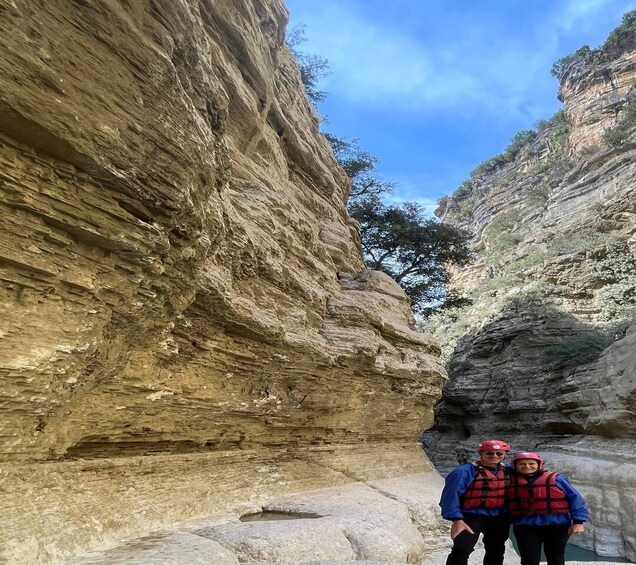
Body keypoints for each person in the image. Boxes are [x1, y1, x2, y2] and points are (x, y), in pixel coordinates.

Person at [507, 452, 590, 565]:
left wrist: (578, 521)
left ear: (539, 465)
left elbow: (575, 499)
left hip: (556, 526)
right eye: (522, 464)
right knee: (529, 558)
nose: (527, 466)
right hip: (525, 526)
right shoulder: (510, 480)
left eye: (531, 463)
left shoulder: (556, 479)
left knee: (555, 557)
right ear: (515, 466)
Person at [439, 439, 512, 565]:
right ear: (481, 453)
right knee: (462, 549)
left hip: (499, 517)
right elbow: (451, 496)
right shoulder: (464, 471)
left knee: (496, 550)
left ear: (505, 455)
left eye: (499, 453)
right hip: (471, 516)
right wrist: (457, 520)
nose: (494, 456)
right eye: (489, 453)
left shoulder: (509, 471)